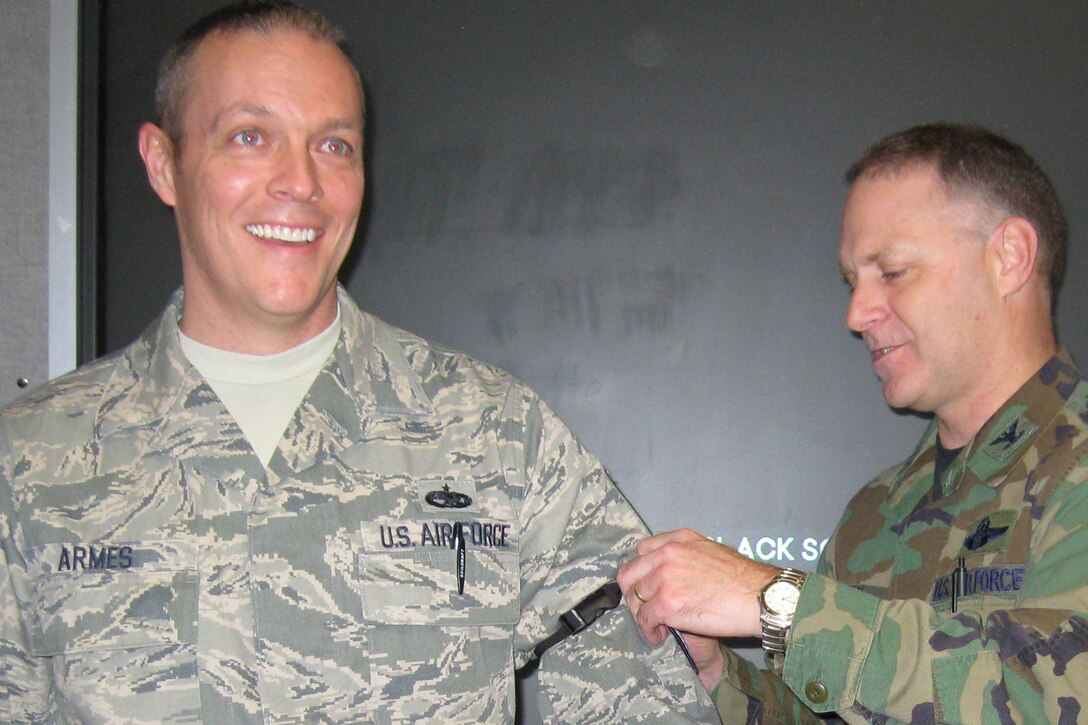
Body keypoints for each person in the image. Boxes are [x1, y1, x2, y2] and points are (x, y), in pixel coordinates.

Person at [0, 2, 718, 722]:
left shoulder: (496, 435)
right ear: (164, 163)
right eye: (251, 137)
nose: (301, 182)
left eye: (334, 145)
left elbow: (645, 701)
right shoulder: (30, 463)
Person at [618, 122, 1088, 723]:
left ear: (1009, 257)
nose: (856, 313)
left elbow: (1050, 699)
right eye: (852, 282)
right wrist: (716, 674)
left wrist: (778, 605)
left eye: (891, 272)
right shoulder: (879, 509)